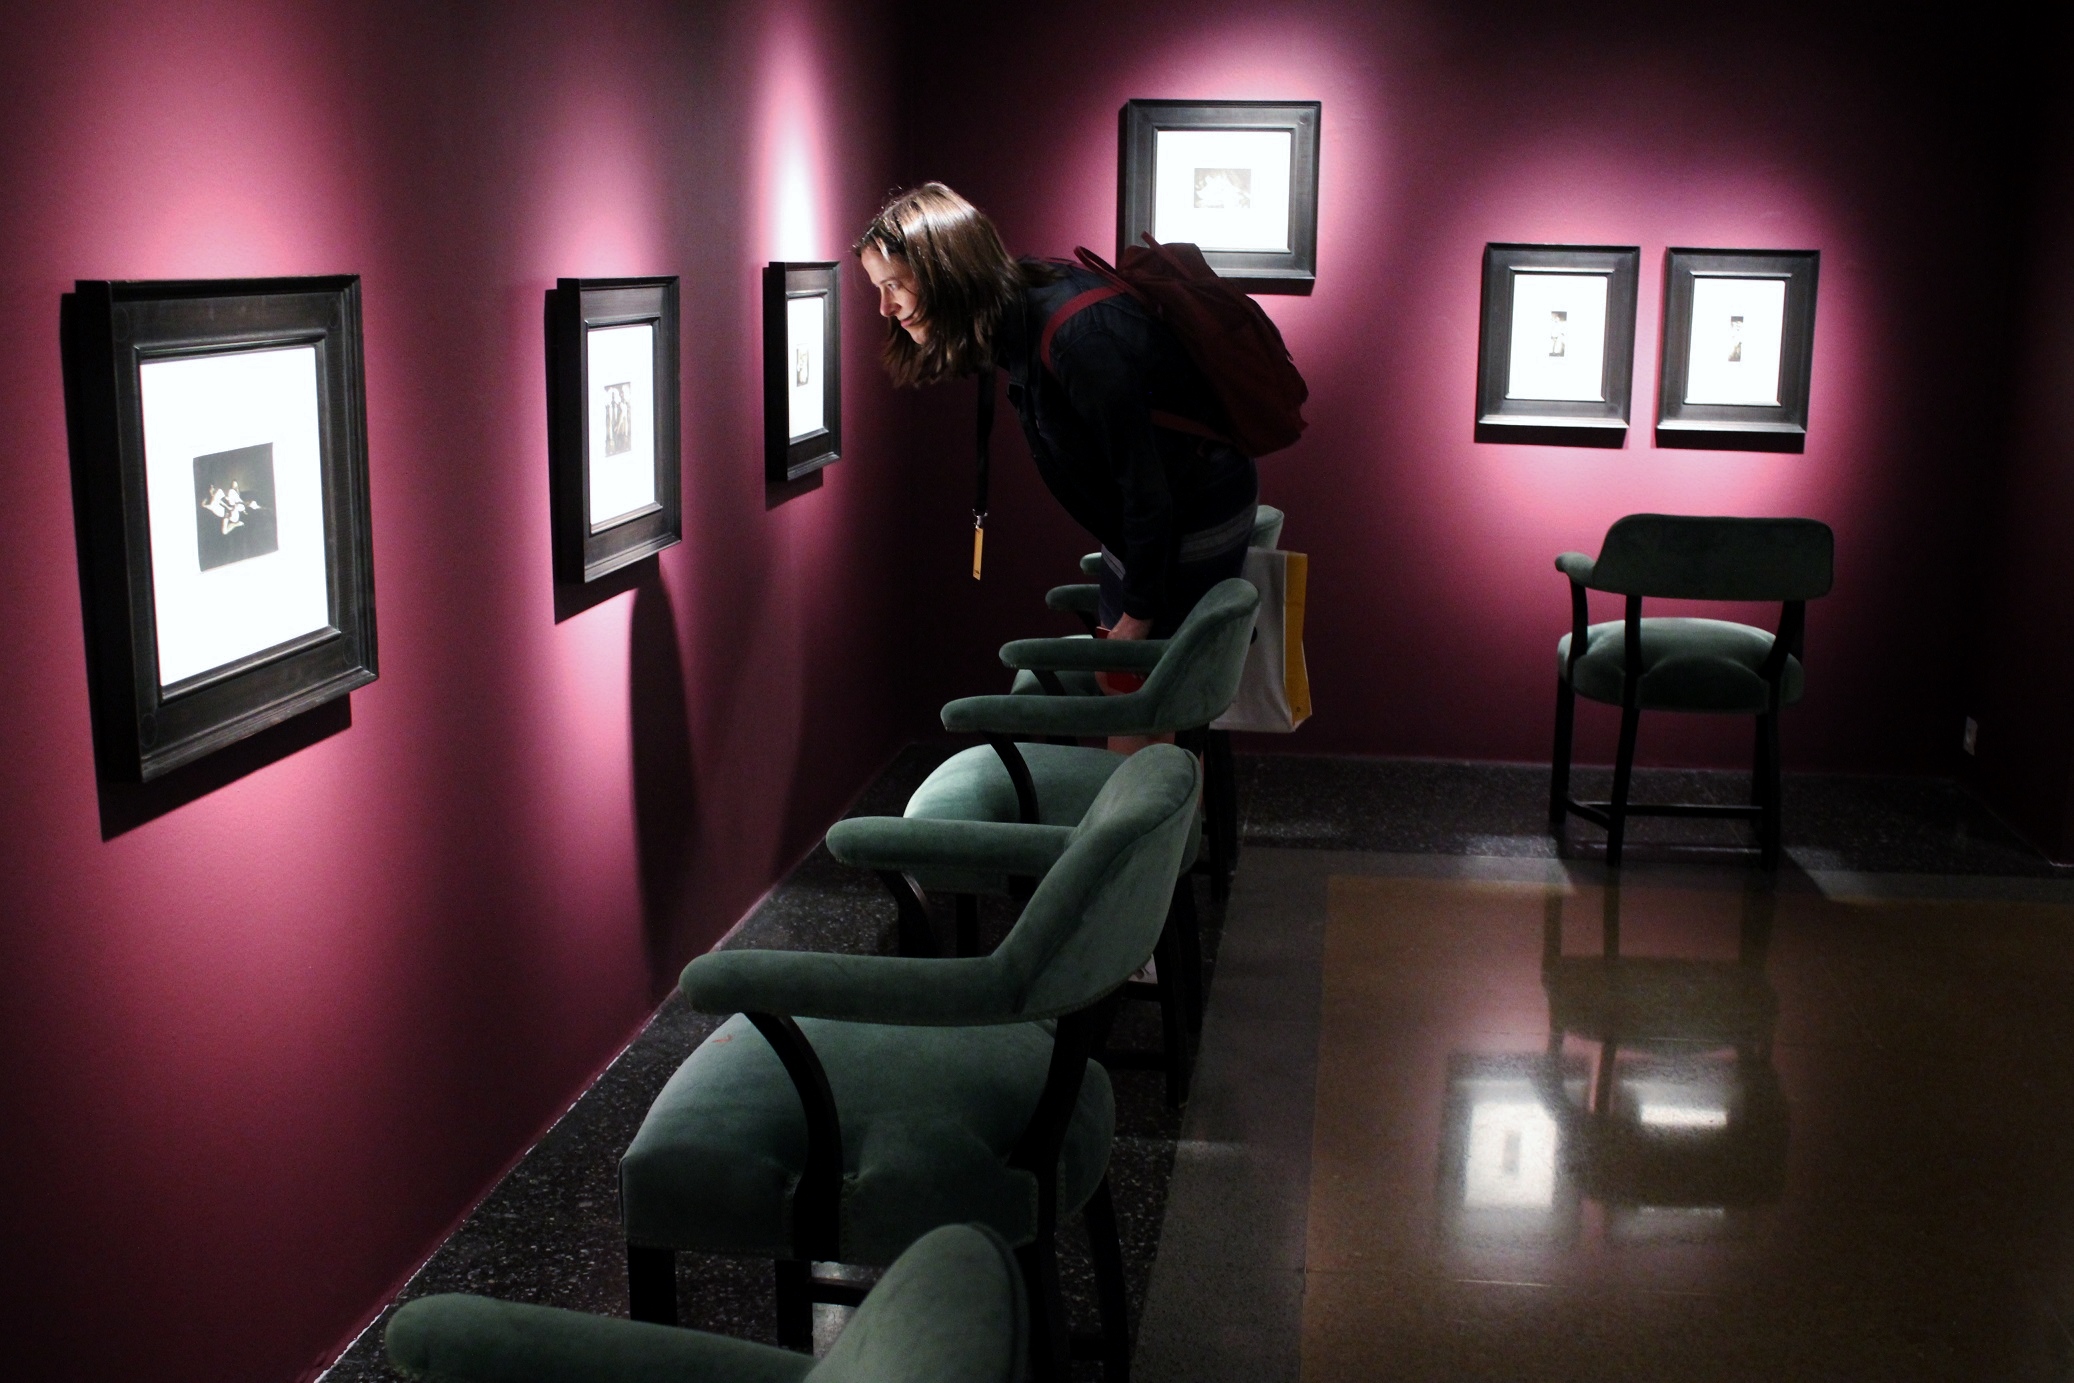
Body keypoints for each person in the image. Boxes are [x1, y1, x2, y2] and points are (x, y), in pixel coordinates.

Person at [854, 182, 1258, 646]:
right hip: (1150, 522)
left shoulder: (1077, 341)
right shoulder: (1019, 304)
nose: (885, 307)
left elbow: (1146, 487)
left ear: (946, 272)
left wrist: (1139, 613)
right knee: (1124, 675)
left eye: (893, 285)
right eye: (879, 288)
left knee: (1161, 681)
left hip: (1192, 510)